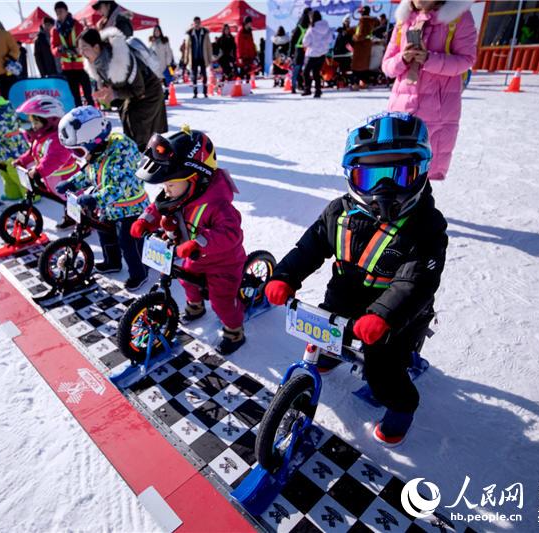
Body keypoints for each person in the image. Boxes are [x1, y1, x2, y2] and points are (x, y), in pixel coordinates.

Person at [264, 112, 448, 446]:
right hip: (345, 292)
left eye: (399, 174)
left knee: (382, 371)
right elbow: (310, 246)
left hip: (398, 314)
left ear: (421, 172)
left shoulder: (426, 226)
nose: (384, 189)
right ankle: (332, 351)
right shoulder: (338, 212)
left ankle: (402, 409)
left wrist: (383, 315)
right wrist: (285, 275)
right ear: (352, 176)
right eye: (371, 176)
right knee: (324, 321)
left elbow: (416, 281)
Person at [130, 127, 249, 355]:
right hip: (192, 256)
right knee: (186, 281)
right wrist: (144, 221)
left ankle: (235, 331)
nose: (166, 190)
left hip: (223, 262)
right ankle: (195, 307)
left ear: (194, 178)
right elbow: (157, 208)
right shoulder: (178, 195)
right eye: (164, 185)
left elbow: (230, 234)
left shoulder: (218, 205)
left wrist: (199, 243)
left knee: (221, 299)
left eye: (170, 184)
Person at [56, 106, 149, 290]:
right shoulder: (98, 151)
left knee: (127, 241)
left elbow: (117, 187)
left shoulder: (121, 153)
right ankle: (112, 262)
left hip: (130, 207)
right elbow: (89, 173)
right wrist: (72, 183)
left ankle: (140, 274)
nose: (78, 156)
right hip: (109, 207)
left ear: (93, 140)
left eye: (79, 151)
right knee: (105, 233)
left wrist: (95, 199)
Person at [382, 0, 476, 181]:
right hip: (400, 107)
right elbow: (387, 66)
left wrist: (429, 59)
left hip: (438, 110)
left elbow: (466, 61)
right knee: (396, 173)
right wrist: (403, 59)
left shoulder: (458, 17)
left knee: (424, 175)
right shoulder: (404, 19)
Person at [79, 28, 168, 151]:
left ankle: (150, 160)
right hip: (131, 97)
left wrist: (114, 94)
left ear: (96, 47)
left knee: (144, 134)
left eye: (84, 47)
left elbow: (139, 88)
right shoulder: (98, 64)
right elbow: (115, 86)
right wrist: (106, 92)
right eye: (80, 48)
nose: (81, 52)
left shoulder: (121, 60)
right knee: (131, 129)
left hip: (149, 94)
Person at [14, 95, 79, 227]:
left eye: (36, 123)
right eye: (33, 123)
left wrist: (38, 171)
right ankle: (72, 217)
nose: (33, 126)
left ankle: (85, 221)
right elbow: (34, 152)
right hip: (52, 178)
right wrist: (22, 161)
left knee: (73, 200)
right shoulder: (41, 137)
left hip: (66, 178)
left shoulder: (58, 139)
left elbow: (54, 159)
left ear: (51, 121)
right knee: (64, 200)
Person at [52, 2, 94, 107]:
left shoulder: (77, 25)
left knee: (88, 94)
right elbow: (53, 49)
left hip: (82, 66)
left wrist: (78, 49)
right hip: (67, 69)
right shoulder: (55, 30)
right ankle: (80, 117)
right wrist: (59, 49)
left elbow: (86, 42)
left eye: (61, 11)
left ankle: (94, 115)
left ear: (66, 11)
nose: (59, 14)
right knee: (75, 96)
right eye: (57, 12)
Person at [301, 11, 332, 98]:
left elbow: (305, 42)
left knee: (305, 72)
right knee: (316, 73)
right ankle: (318, 91)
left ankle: (307, 89)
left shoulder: (311, 29)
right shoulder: (327, 27)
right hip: (322, 53)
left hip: (312, 54)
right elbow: (330, 40)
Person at [183, 17, 213, 98]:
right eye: (195, 23)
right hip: (194, 58)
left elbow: (209, 47)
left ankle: (205, 92)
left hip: (203, 57)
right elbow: (187, 48)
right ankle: (195, 92)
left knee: (204, 75)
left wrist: (210, 58)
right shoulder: (190, 34)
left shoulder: (205, 33)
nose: (197, 24)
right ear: (193, 23)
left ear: (200, 23)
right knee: (194, 76)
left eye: (198, 22)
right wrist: (186, 59)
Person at [351, 6, 379, 89]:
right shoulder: (371, 21)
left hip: (360, 46)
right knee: (364, 64)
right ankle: (364, 83)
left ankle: (355, 84)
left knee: (356, 65)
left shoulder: (363, 20)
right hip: (367, 45)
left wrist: (354, 37)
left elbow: (361, 34)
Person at [288, 8, 311, 93]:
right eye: (309, 13)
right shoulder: (300, 25)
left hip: (307, 49)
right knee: (298, 68)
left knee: (305, 69)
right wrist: (290, 52)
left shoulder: (310, 25)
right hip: (300, 49)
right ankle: (295, 86)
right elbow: (293, 39)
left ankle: (303, 85)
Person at [149, 25, 174, 90]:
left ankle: (166, 94)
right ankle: (159, 96)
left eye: (158, 30)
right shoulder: (152, 42)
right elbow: (150, 53)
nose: (157, 32)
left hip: (164, 64)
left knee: (166, 80)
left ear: (160, 32)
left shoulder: (165, 41)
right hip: (155, 65)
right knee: (156, 82)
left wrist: (168, 63)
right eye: (155, 31)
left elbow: (168, 52)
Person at [236, 16, 257, 82]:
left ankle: (247, 87)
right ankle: (241, 87)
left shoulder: (250, 32)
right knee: (242, 73)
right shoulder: (240, 33)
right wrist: (239, 57)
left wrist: (254, 54)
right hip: (243, 56)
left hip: (250, 55)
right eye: (250, 23)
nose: (251, 24)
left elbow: (252, 43)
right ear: (246, 23)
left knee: (249, 73)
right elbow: (238, 46)